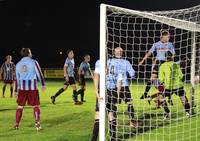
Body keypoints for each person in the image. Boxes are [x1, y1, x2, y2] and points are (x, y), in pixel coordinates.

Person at [139, 30, 175, 102]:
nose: (169, 38)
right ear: (163, 36)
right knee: (152, 79)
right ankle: (146, 93)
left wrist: (171, 63)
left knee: (165, 82)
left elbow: (173, 55)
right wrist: (143, 60)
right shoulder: (156, 44)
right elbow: (149, 52)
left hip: (166, 63)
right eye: (168, 37)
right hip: (158, 63)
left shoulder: (170, 44)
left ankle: (167, 98)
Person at [14, 48, 45, 130]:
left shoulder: (18, 64)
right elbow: (40, 74)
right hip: (32, 88)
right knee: (36, 106)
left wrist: (16, 90)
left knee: (20, 106)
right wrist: (42, 84)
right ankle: (37, 123)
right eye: (30, 52)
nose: (31, 54)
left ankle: (16, 124)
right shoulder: (34, 62)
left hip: (22, 89)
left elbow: (17, 79)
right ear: (29, 53)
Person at [159, 51, 191, 118]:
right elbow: (181, 76)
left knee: (161, 98)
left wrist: (162, 82)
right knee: (183, 98)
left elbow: (161, 79)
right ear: (171, 57)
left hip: (168, 86)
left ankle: (167, 113)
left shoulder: (162, 66)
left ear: (165, 58)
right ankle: (188, 112)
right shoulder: (176, 64)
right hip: (178, 85)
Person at [113, 47, 137, 128]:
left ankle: (114, 122)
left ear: (114, 53)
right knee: (129, 103)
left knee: (114, 104)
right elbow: (132, 73)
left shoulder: (110, 62)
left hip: (113, 86)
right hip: (124, 86)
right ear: (122, 53)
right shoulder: (126, 62)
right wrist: (133, 74)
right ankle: (132, 122)